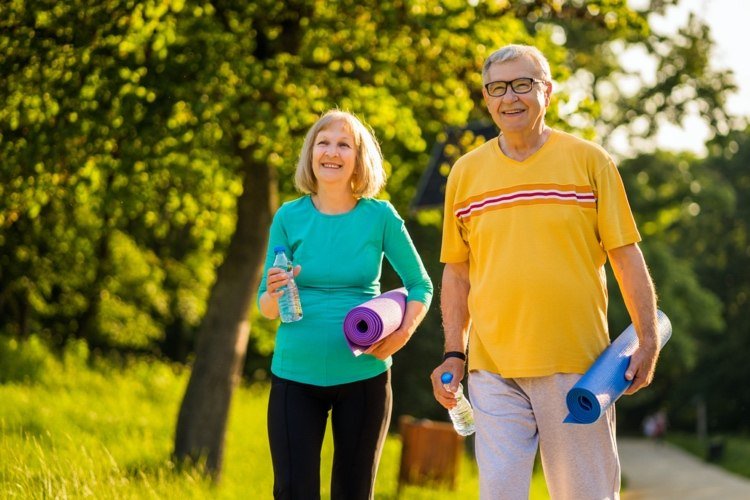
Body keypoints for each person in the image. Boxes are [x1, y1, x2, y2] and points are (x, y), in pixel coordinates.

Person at [430, 44, 660, 499]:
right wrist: (454, 352)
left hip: (579, 370)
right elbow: (457, 274)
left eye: (522, 84)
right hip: (492, 371)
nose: (509, 97)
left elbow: (625, 256)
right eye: (497, 88)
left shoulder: (590, 161)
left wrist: (647, 338)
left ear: (547, 91)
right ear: (485, 97)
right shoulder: (465, 173)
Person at [258, 109, 433, 500]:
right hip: (294, 374)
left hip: (363, 376)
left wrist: (403, 333)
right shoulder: (289, 216)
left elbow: (420, 284)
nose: (331, 152)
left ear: (358, 157)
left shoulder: (380, 216)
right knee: (292, 491)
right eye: (323, 143)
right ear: (310, 153)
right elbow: (266, 306)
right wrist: (272, 293)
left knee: (353, 493)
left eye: (343, 144)